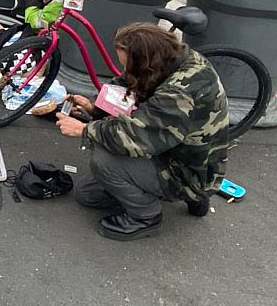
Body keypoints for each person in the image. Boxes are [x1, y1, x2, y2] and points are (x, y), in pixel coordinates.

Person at [56, 23, 229, 241]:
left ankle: (146, 216)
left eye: (128, 64)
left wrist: (84, 129)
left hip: (188, 171)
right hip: (190, 155)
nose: (125, 70)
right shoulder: (176, 58)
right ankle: (191, 197)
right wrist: (96, 108)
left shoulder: (177, 93)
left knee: (103, 160)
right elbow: (130, 83)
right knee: (87, 195)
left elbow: (135, 138)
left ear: (145, 61)